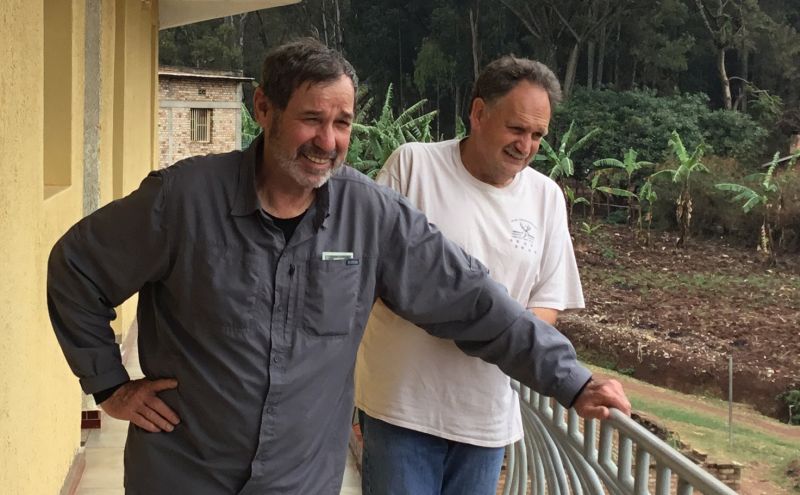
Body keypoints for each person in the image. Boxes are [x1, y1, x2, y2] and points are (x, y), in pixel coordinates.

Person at [47, 39, 629, 495]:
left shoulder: (371, 216)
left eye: (343, 122)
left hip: (299, 481)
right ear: (263, 108)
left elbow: (474, 301)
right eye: (311, 119)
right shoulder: (184, 200)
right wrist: (109, 384)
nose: (327, 141)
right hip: (183, 475)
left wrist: (572, 380)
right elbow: (76, 269)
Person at [355, 56, 599, 495]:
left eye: (537, 135)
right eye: (516, 129)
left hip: (486, 418)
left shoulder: (546, 197)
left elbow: (547, 303)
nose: (526, 145)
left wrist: (490, 331)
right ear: (479, 113)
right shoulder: (413, 166)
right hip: (399, 407)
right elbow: (369, 281)